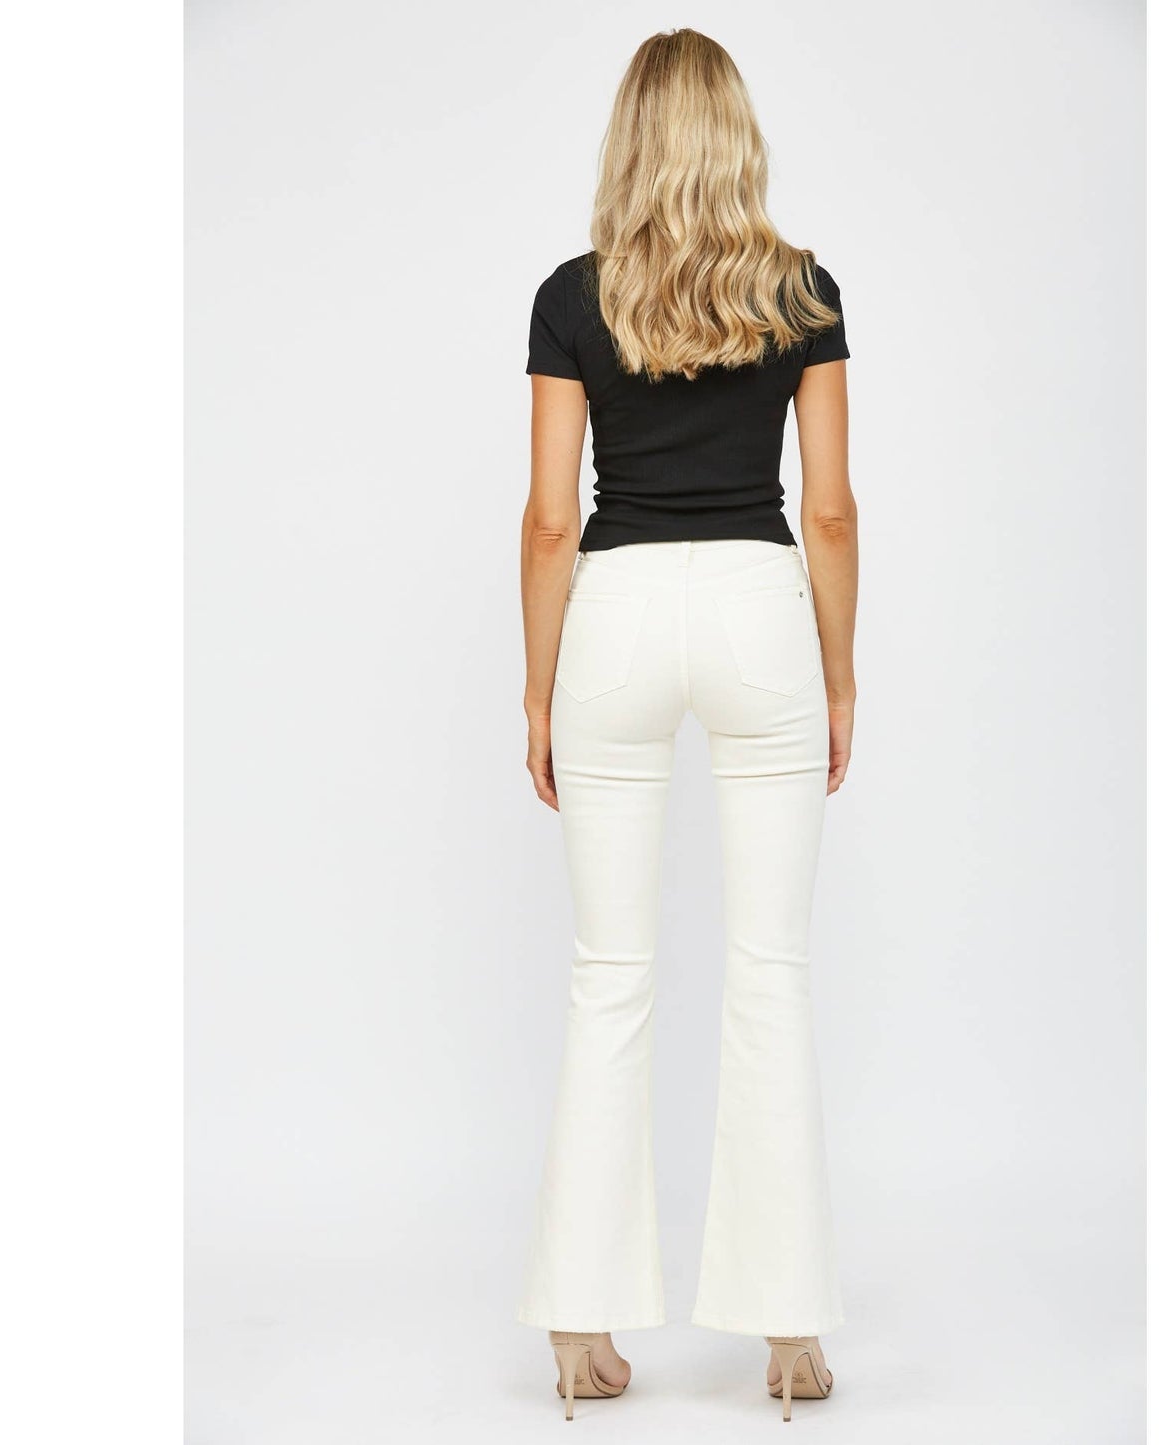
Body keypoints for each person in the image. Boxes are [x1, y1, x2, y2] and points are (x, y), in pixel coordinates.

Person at [515, 27, 857, 1423]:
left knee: (610, 974)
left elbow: (550, 518)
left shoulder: (570, 296)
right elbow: (828, 507)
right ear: (737, 137)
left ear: (628, 138)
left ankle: (578, 1331)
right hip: (760, 615)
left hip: (616, 613)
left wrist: (537, 687)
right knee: (770, 973)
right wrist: (840, 676)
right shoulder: (801, 290)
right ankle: (789, 1338)